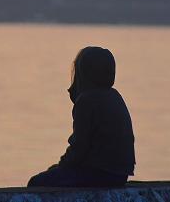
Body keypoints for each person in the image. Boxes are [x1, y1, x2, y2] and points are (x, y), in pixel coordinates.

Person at [27, 46, 135, 187]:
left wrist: (62, 165)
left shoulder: (87, 100)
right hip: (119, 175)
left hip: (98, 174)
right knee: (55, 173)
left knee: (36, 183)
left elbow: (79, 147)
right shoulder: (115, 96)